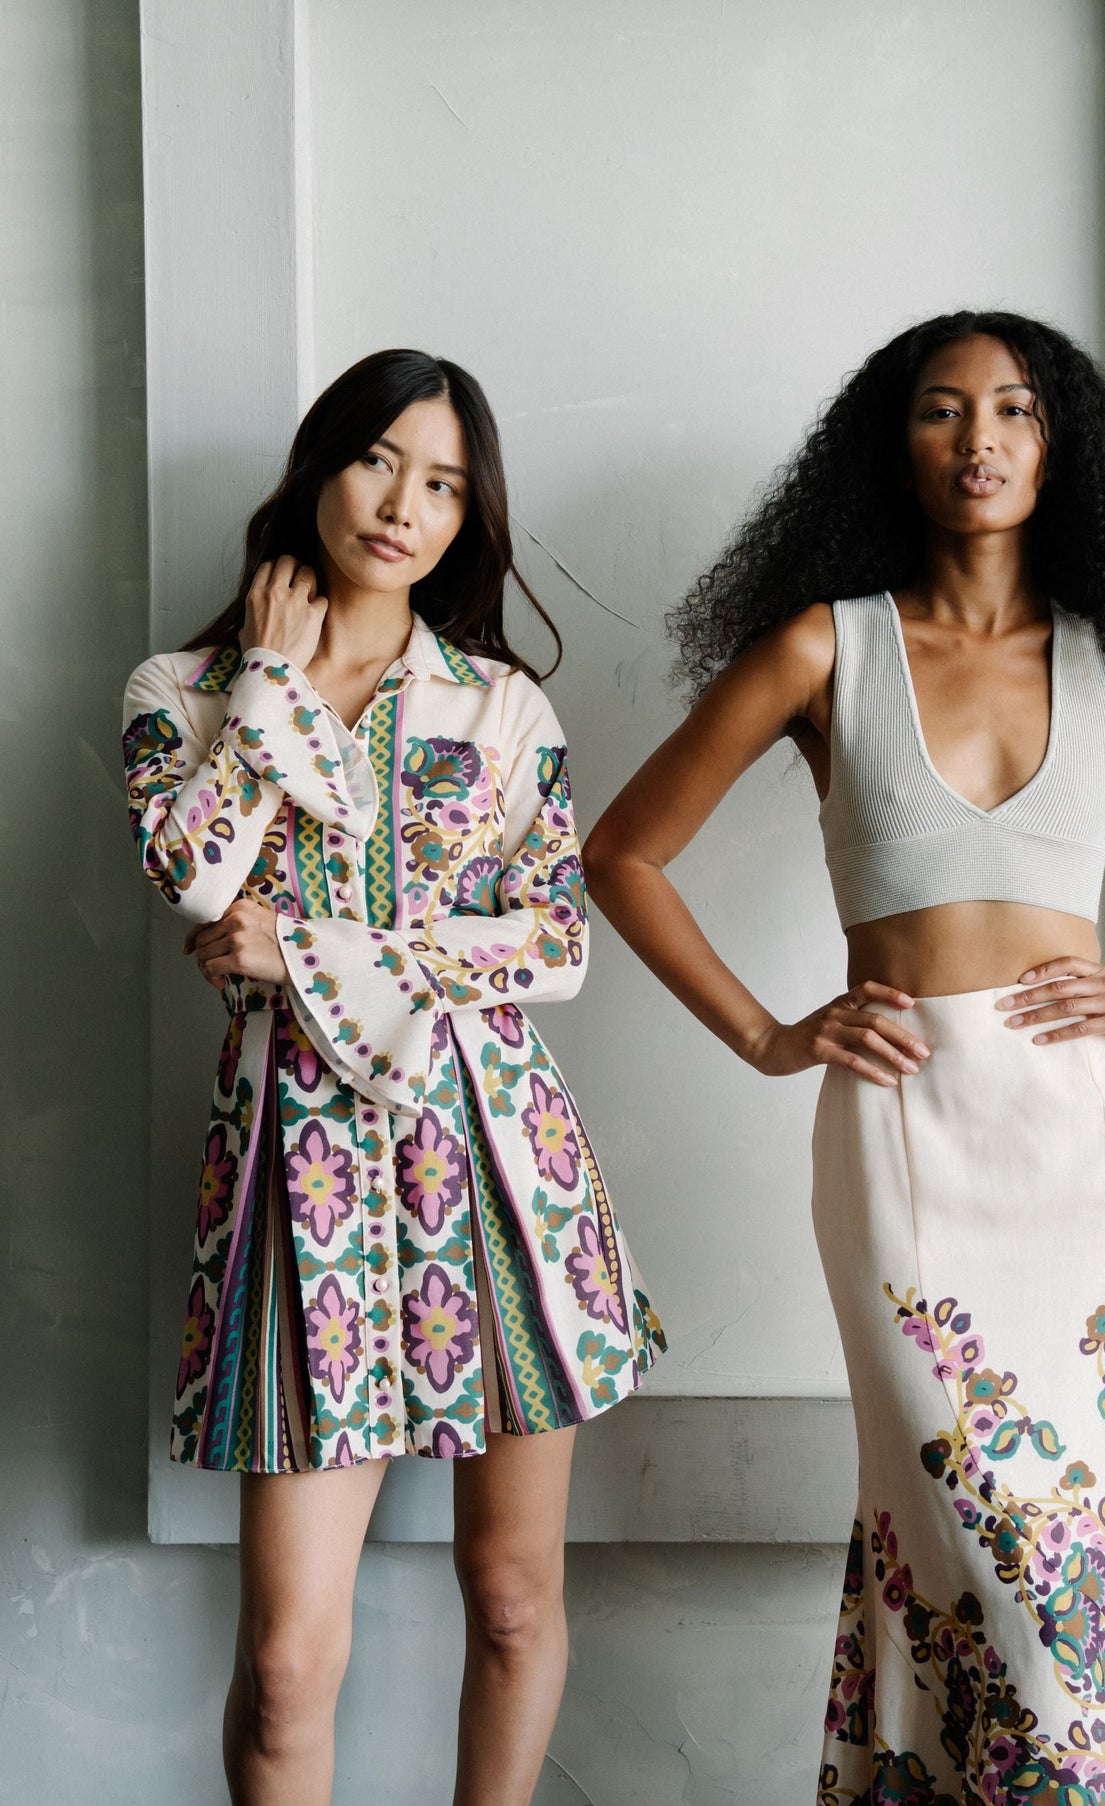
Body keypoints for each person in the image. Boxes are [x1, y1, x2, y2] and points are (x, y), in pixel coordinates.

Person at [582, 310, 1105, 1802]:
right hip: (900, 1134)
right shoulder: (822, 645)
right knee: (958, 1535)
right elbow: (625, 852)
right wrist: (768, 1033)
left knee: (1095, 1546)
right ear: (889, 446)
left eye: (1016, 410)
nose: (980, 440)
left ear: (1058, 443)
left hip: (1082, 1147)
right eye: (943, 410)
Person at [121, 348, 665, 1806]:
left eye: (443, 483)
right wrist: (270, 695)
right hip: (292, 1188)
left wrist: (300, 946)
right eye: (380, 461)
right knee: (290, 1659)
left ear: (467, 516)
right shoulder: (183, 687)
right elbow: (190, 877)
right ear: (321, 466)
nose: (404, 505)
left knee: (509, 1597)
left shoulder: (497, 710)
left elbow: (552, 941)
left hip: (499, 1171)